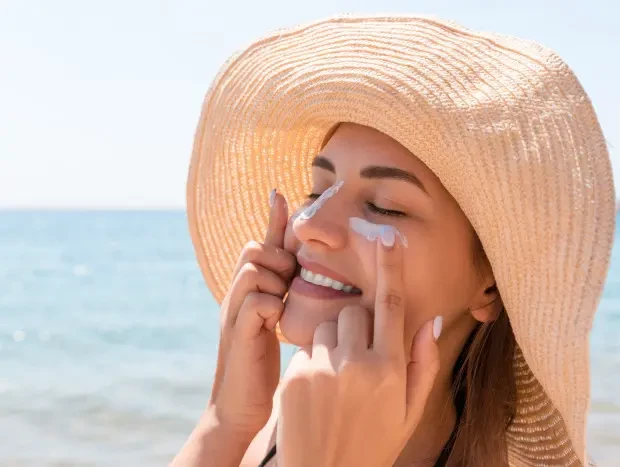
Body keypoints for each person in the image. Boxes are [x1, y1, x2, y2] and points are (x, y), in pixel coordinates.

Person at [171, 14, 615, 467]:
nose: (309, 225)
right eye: (317, 191)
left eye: (385, 207)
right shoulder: (294, 405)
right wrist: (226, 420)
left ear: (491, 284)